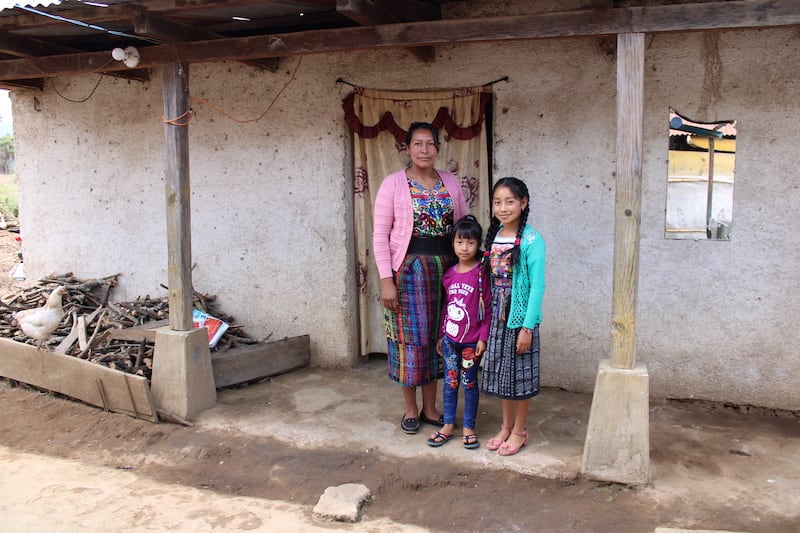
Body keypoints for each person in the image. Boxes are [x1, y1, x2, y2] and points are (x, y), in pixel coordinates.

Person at [373, 121, 468, 435]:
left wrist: (468, 269)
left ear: (438, 148)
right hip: (409, 272)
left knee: (440, 338)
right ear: (408, 148)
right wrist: (386, 280)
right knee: (410, 340)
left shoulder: (450, 182)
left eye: (430, 143)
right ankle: (411, 409)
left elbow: (463, 226)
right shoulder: (393, 184)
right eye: (417, 143)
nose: (424, 150)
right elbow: (380, 235)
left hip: (447, 271)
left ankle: (430, 408)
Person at [480, 177, 546, 456]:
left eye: (510, 201)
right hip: (497, 314)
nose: (503, 208)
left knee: (519, 374)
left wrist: (527, 327)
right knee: (501, 372)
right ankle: (506, 426)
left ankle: (519, 430)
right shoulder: (494, 235)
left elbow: (537, 287)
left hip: (518, 316)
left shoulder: (532, 240)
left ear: (523, 203)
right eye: (497, 202)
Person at [426, 215, 490, 449]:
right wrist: (441, 335)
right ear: (453, 243)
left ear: (478, 244)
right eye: (460, 242)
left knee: (469, 383)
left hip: (472, 343)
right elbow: (446, 306)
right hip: (450, 341)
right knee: (451, 382)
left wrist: (483, 338)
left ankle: (468, 427)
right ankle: (448, 425)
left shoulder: (481, 273)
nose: (464, 248)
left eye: (470, 243)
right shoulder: (449, 274)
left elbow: (488, 308)